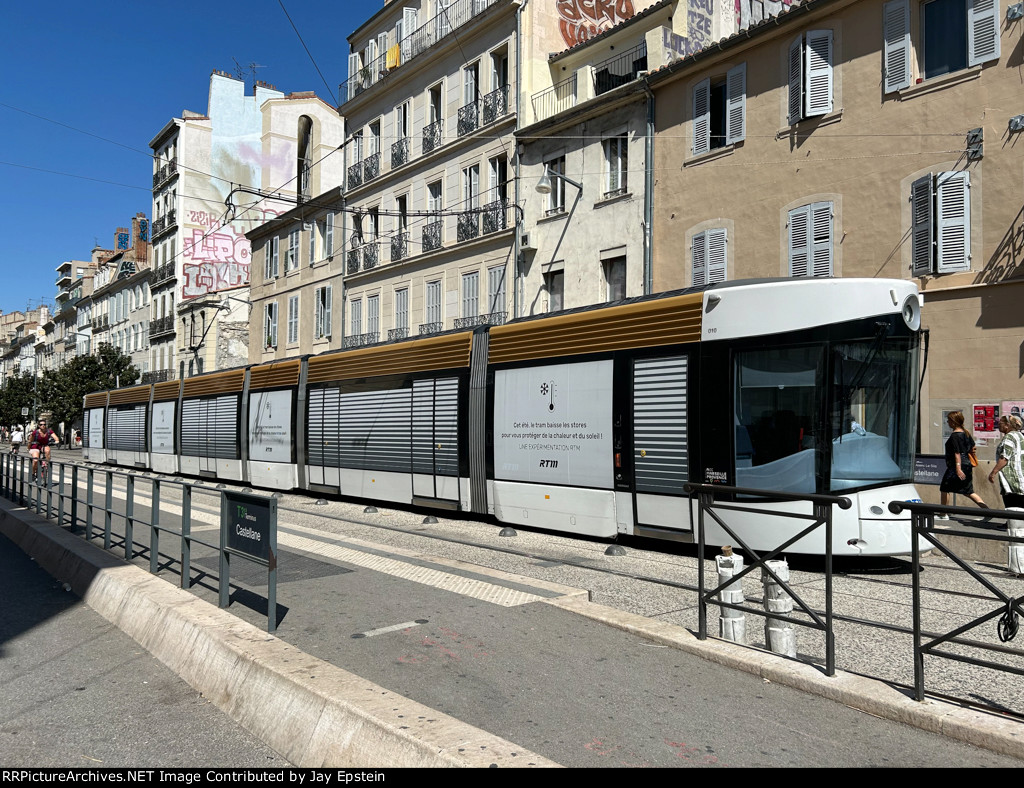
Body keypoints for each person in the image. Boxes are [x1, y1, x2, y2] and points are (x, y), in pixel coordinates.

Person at [938, 410, 987, 517]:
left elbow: (957, 453)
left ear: (954, 422)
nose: (947, 422)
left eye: (949, 420)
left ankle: (943, 514)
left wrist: (958, 468)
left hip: (956, 466)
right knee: (968, 491)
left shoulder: (955, 435)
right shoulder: (966, 433)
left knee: (944, 488)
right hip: (967, 464)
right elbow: (973, 447)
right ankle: (988, 511)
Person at [989, 414, 1024, 509]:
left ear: (1007, 425)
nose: (998, 425)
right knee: (1020, 503)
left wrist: (993, 472)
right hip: (1021, 476)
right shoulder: (1020, 435)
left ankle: (1012, 523)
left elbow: (1005, 457)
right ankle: (1014, 523)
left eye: (1000, 423)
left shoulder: (1009, 437)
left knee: (1012, 503)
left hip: (1011, 476)